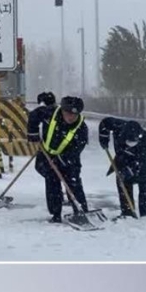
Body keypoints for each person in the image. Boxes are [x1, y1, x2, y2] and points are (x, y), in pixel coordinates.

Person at [28, 95, 89, 223]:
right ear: (62, 110)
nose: (71, 117)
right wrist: (33, 133)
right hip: (46, 154)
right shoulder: (49, 113)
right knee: (52, 181)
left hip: (69, 159)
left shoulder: (81, 129)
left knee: (73, 182)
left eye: (74, 114)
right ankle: (56, 213)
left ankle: (81, 211)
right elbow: (33, 116)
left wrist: (61, 160)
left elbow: (76, 150)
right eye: (67, 113)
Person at [98, 117, 146, 218]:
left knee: (144, 183)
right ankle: (127, 212)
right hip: (122, 159)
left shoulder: (145, 142)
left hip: (142, 162)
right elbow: (104, 123)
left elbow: (144, 158)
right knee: (122, 182)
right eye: (128, 142)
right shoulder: (117, 126)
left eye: (133, 142)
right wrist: (103, 137)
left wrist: (132, 169)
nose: (130, 145)